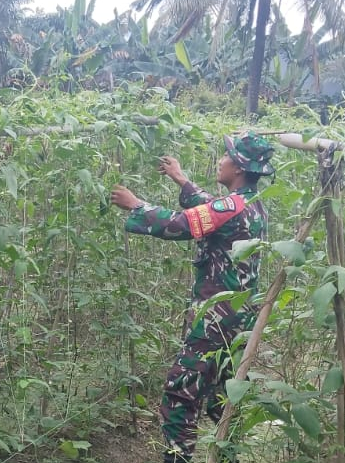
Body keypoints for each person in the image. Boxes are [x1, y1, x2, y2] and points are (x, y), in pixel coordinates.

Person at [110, 130, 275, 463]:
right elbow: (209, 211)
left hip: (214, 321)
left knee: (180, 394)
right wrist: (181, 180)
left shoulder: (231, 207)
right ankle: (230, 454)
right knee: (221, 393)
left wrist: (136, 205)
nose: (221, 159)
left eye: (226, 156)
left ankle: (178, 458)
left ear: (239, 167)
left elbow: (184, 224)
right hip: (238, 318)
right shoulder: (252, 205)